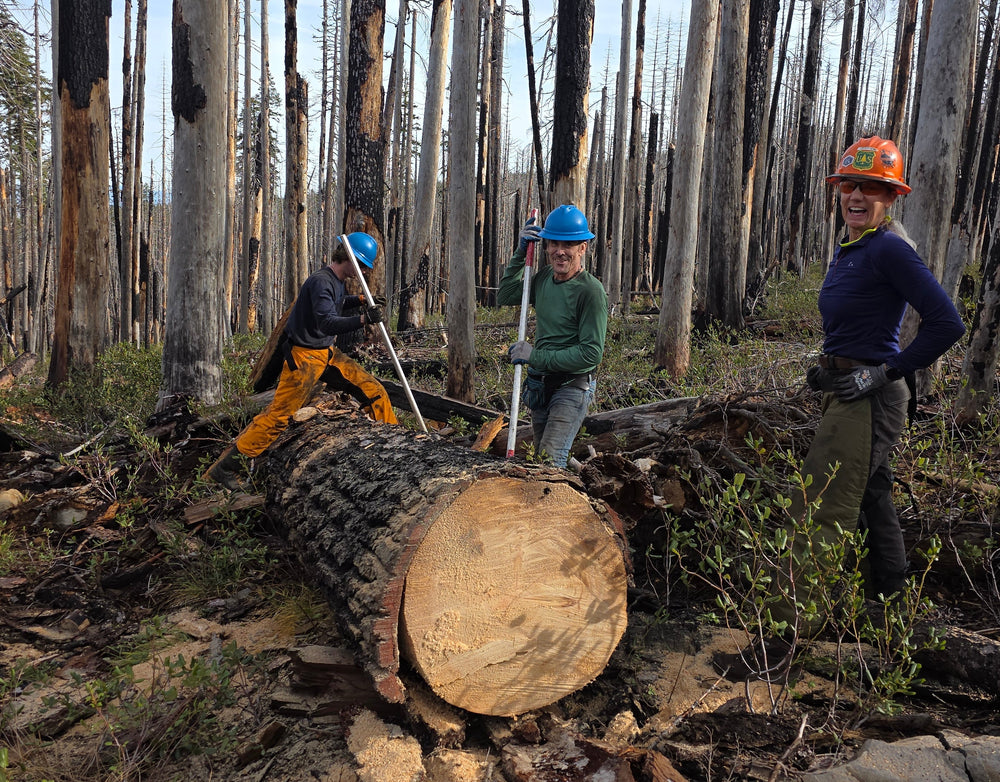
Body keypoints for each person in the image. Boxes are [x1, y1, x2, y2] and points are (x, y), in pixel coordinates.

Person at [776, 136, 965, 634]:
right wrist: (827, 370)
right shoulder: (851, 246)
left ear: (894, 197)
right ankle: (880, 608)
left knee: (839, 497)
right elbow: (853, 326)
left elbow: (947, 323)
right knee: (868, 492)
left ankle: (837, 618)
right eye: (849, 186)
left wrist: (885, 371)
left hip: (874, 397)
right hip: (846, 387)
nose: (857, 197)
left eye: (873, 189)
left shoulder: (890, 250)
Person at [205, 232, 398, 490]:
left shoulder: (335, 281)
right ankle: (226, 469)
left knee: (373, 389)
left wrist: (361, 301)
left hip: (325, 353)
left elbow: (335, 305)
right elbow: (327, 321)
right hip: (305, 357)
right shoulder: (321, 282)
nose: (363, 271)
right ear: (348, 258)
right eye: (361, 265)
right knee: (279, 416)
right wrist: (364, 320)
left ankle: (395, 445)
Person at [496, 204, 608, 468]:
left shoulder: (591, 292)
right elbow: (505, 294)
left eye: (568, 244)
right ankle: (580, 481)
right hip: (540, 385)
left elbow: (591, 354)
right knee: (541, 461)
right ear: (545, 246)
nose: (560, 251)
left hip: (572, 386)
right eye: (553, 243)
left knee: (548, 461)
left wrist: (535, 355)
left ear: (582, 247)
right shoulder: (545, 277)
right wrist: (520, 251)